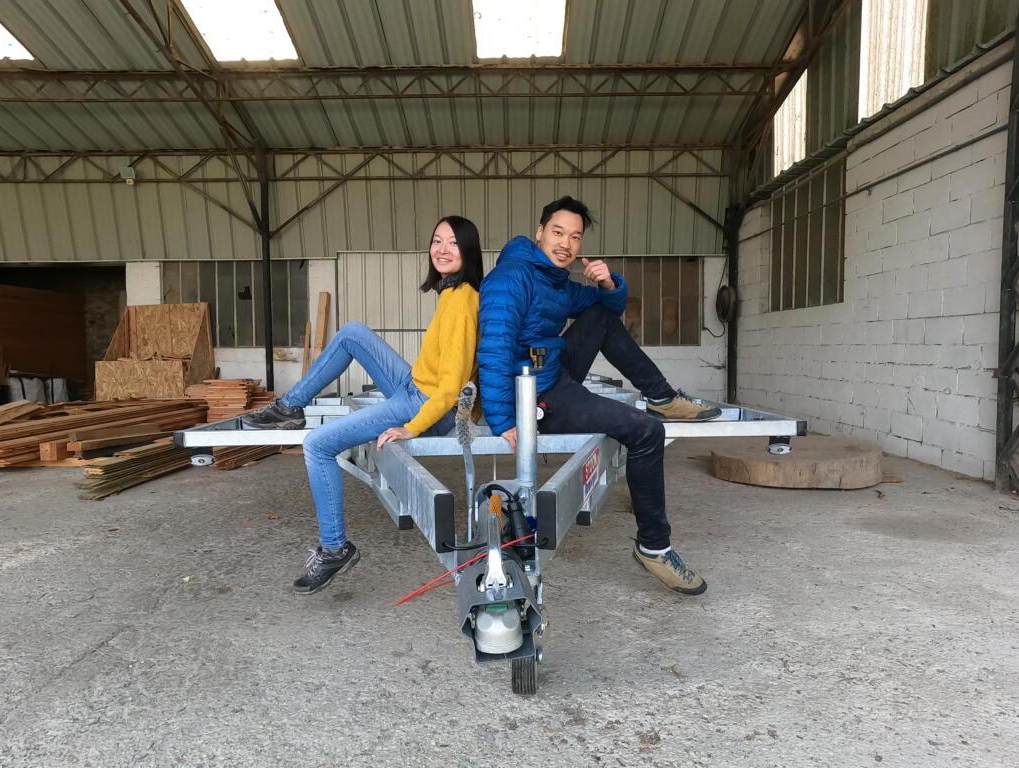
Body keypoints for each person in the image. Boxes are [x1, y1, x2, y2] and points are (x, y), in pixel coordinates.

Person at [477, 196, 719, 596]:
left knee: (601, 317)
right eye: (557, 233)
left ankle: (660, 396)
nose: (565, 244)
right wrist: (505, 421)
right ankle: (654, 548)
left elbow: (606, 305)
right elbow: (494, 349)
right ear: (539, 233)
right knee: (645, 433)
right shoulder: (512, 279)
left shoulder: (553, 280)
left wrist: (608, 283)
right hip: (537, 397)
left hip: (551, 369)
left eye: (574, 237)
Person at [243, 216, 484, 594]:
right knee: (353, 333)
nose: (441, 249)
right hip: (413, 385)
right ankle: (291, 405)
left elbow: (451, 387)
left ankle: (335, 548)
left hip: (424, 404)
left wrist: (412, 427)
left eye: (452, 243)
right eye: (437, 241)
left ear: (469, 250)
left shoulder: (463, 302)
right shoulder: (450, 292)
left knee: (317, 445)